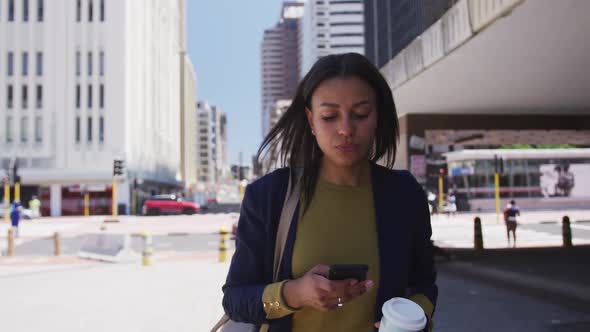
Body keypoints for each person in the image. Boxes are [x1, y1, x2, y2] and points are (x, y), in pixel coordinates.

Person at [222, 53, 437, 332]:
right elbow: (236, 300)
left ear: (378, 116)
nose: (346, 129)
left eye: (361, 114)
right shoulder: (268, 196)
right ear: (311, 120)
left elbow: (423, 285)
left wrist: (413, 317)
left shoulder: (404, 193)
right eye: (329, 116)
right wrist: (295, 294)